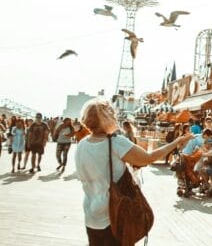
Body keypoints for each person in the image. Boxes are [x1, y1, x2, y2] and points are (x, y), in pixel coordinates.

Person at [74, 98, 192, 245]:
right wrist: (175, 143)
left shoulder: (81, 145)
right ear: (106, 118)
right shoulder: (116, 143)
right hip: (114, 213)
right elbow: (148, 158)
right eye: (112, 113)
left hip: (91, 214)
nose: (115, 116)